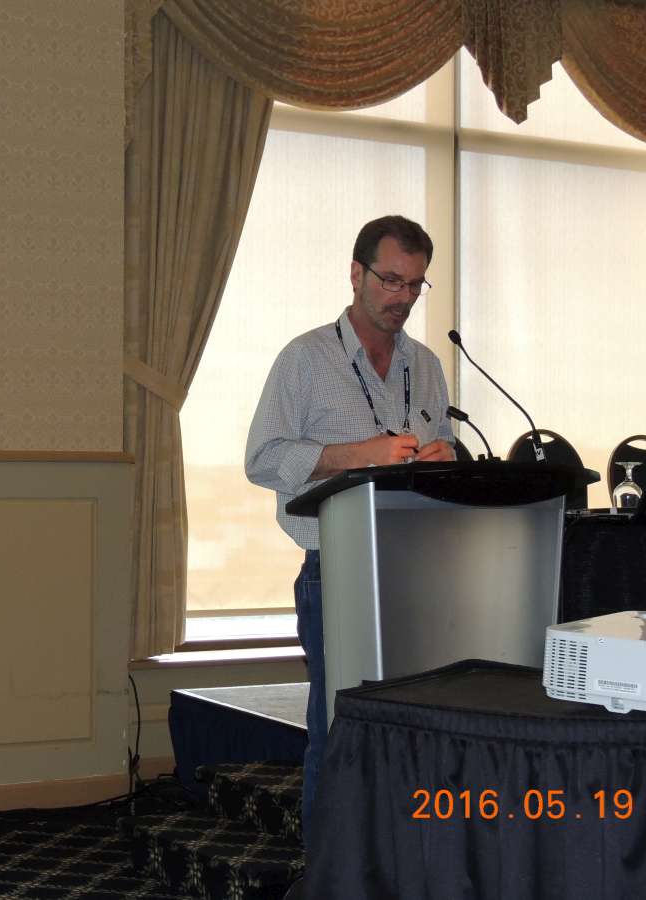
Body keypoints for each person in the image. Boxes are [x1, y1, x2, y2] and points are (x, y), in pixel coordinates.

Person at [244, 214, 456, 843]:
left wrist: (445, 458)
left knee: (414, 734)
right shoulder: (306, 359)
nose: (403, 297)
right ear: (356, 274)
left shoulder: (427, 364)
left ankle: (400, 864)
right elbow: (262, 459)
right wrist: (358, 455)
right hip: (337, 571)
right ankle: (330, 873)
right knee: (338, 734)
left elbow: (441, 447)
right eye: (391, 281)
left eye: (415, 285)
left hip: (418, 573)